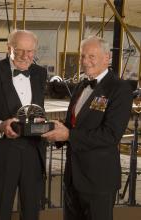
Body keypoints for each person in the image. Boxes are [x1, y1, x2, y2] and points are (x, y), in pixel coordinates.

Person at [42, 36, 133, 220]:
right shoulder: (82, 85)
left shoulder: (119, 89)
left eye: (91, 56)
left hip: (98, 180)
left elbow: (110, 135)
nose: (85, 61)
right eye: (83, 56)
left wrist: (68, 134)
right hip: (73, 177)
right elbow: (75, 124)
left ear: (107, 58)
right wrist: (54, 129)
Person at [0, 29, 47, 220]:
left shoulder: (40, 73)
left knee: (32, 211)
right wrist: (0, 125)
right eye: (20, 50)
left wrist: (42, 122)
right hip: (2, 152)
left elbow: (37, 108)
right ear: (9, 48)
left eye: (30, 51)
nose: (26, 56)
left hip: (34, 152)